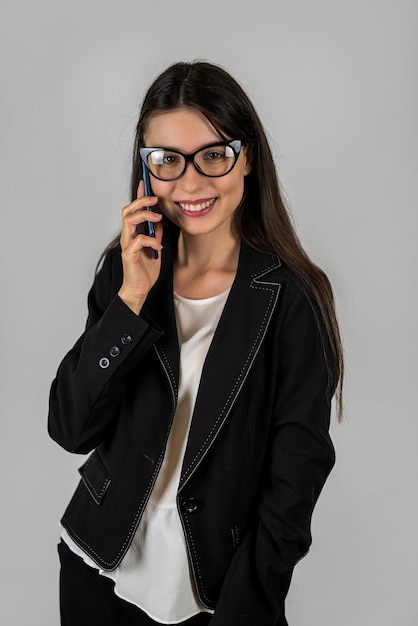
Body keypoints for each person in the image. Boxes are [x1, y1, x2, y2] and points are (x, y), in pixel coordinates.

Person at [48, 60, 343, 626]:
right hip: (96, 569)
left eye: (213, 154)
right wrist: (131, 299)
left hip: (213, 595)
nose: (189, 182)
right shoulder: (125, 272)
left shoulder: (291, 300)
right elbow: (70, 427)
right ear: (145, 168)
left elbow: (295, 481)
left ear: (248, 156)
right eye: (166, 160)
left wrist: (247, 608)